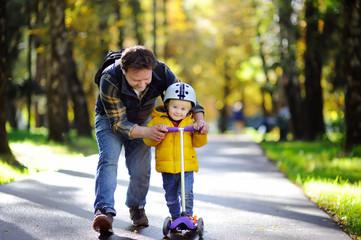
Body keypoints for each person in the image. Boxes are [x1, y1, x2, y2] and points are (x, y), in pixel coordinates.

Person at [92, 46, 208, 234]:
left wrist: (200, 120)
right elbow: (118, 124)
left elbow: (185, 94)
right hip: (110, 120)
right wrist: (146, 132)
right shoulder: (110, 78)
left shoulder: (161, 71)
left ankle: (137, 208)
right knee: (109, 160)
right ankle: (104, 212)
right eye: (136, 80)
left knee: (140, 169)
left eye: (147, 79)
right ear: (124, 70)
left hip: (143, 118)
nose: (143, 84)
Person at [143, 82, 207, 225]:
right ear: (167, 105)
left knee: (187, 193)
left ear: (190, 109)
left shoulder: (190, 122)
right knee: (170, 195)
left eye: (183, 108)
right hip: (167, 167)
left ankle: (188, 216)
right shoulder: (157, 121)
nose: (178, 111)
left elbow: (199, 143)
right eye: (174, 107)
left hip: (187, 166)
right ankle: (175, 217)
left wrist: (199, 130)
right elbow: (148, 141)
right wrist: (156, 133)